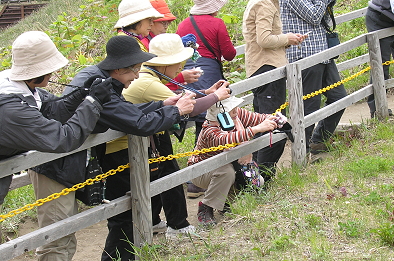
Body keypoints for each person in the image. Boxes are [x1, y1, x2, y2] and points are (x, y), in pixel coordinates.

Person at [29, 35, 196, 261]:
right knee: (59, 239)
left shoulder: (99, 79)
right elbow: (139, 124)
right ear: (118, 69)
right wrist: (177, 110)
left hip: (66, 162)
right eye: (135, 69)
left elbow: (125, 111)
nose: (137, 75)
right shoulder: (100, 88)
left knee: (71, 236)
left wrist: (161, 105)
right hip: (56, 165)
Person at [0, 31, 111, 258]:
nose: (52, 74)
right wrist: (92, 101)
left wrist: (78, 96)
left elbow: (49, 111)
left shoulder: (19, 88)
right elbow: (63, 138)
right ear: (39, 72)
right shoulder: (11, 109)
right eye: (49, 69)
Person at [118, 33, 231, 239]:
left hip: (147, 135)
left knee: (157, 176)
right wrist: (215, 96)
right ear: (164, 64)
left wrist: (206, 92)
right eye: (178, 63)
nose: (181, 68)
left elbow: (175, 99)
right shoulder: (147, 82)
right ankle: (177, 226)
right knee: (168, 176)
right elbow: (189, 108)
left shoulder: (150, 76)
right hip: (139, 140)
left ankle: (153, 222)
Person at [279, 0, 348, 155]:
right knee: (310, 106)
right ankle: (302, 149)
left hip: (321, 54)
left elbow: (323, 19)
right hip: (304, 56)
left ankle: (318, 140)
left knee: (339, 97)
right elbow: (314, 16)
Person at [242, 0, 304, 180]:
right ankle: (260, 179)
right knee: (273, 125)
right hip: (266, 67)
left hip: (261, 66)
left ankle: (256, 178)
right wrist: (287, 38)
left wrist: (287, 41)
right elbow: (264, 39)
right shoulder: (265, 3)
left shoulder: (263, 0)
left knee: (264, 123)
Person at [188, 96, 278, 227]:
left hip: (231, 163)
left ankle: (224, 201)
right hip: (201, 171)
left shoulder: (237, 115)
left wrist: (274, 119)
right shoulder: (209, 130)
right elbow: (228, 139)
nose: (235, 110)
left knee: (256, 182)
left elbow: (257, 118)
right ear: (220, 114)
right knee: (227, 172)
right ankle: (206, 207)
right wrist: (256, 130)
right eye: (230, 108)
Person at [176, 0, 237, 142]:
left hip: (187, 74)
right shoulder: (217, 23)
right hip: (210, 75)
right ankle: (213, 155)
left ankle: (199, 155)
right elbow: (229, 54)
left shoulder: (182, 24)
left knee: (199, 116)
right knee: (214, 117)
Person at [140, 0, 202, 90]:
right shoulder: (143, 44)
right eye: (162, 22)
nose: (166, 27)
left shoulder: (154, 40)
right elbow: (151, 81)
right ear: (149, 21)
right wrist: (180, 78)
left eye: (168, 23)